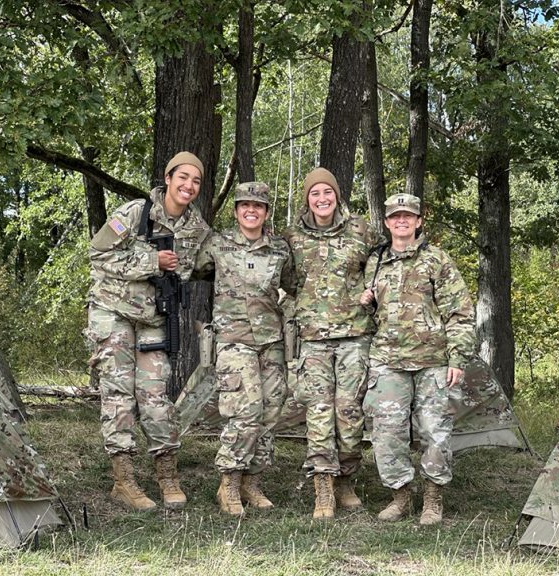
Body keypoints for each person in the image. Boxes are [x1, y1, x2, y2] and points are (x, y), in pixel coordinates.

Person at [87, 151, 210, 511]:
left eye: (196, 181)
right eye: (182, 177)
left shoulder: (197, 228)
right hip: (115, 313)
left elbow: (209, 264)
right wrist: (150, 261)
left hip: (155, 319)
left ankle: (167, 474)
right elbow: (98, 254)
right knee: (119, 394)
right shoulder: (135, 213)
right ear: (168, 178)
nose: (189, 185)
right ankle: (123, 480)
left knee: (156, 396)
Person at [359, 193, 475, 525]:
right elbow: (364, 312)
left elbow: (460, 311)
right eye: (395, 216)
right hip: (388, 360)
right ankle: (400, 497)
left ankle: (433, 499)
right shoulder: (376, 261)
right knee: (387, 433)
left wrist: (458, 358)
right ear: (386, 222)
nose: (402, 220)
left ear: (419, 220)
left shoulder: (436, 259)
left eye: (408, 215)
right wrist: (365, 301)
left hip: (432, 361)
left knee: (434, 431)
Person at [193, 182, 295, 516]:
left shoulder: (279, 250)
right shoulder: (217, 245)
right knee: (245, 411)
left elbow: (293, 287)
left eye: (258, 206)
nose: (251, 211)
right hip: (234, 341)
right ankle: (230, 483)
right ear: (236, 211)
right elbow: (189, 268)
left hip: (271, 343)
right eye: (244, 206)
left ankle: (252, 481)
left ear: (266, 212)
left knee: (269, 412)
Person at [283, 167, 379, 519]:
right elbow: (287, 280)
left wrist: (372, 293)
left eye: (328, 192)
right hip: (313, 341)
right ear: (307, 199)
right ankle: (323, 488)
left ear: (337, 195)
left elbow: (381, 269)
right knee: (319, 412)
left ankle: (346, 482)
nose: (322, 199)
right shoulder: (292, 236)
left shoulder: (362, 230)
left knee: (349, 412)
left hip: (355, 338)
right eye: (314, 193)